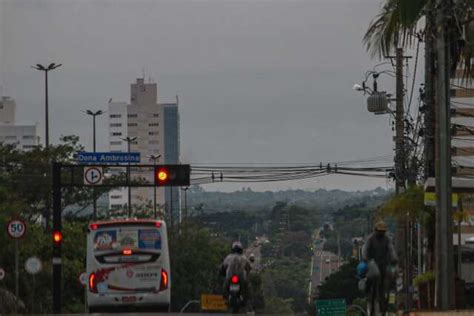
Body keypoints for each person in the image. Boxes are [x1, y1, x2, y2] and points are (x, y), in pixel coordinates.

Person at [362, 221, 397, 315]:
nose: (381, 233)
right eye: (379, 231)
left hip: (384, 263)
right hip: (372, 262)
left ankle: (388, 294)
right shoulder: (370, 239)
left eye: (383, 231)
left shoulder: (387, 239)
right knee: (374, 274)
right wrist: (365, 258)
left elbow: (391, 249)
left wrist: (394, 258)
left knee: (392, 274)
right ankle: (367, 286)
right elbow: (365, 250)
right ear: (375, 230)